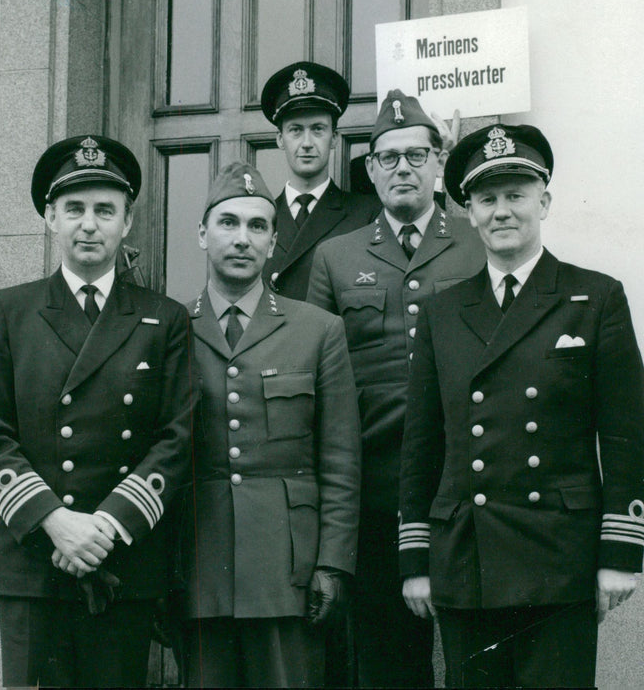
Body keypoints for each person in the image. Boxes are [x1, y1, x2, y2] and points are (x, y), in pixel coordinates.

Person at [399, 123, 644, 688]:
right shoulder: (443, 312)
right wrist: (416, 558)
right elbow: (421, 443)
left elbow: (626, 436)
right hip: (467, 556)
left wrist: (620, 552)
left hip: (559, 556)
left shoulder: (594, 297)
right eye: (486, 199)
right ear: (469, 212)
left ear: (545, 200)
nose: (502, 211)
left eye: (515, 195)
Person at [0, 135, 195, 688]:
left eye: (104, 210)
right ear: (50, 218)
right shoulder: (7, 312)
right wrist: (58, 523)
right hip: (33, 560)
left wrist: (105, 526)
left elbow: (175, 438)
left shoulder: (163, 318)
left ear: (127, 222)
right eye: (74, 209)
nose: (89, 224)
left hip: (123, 558)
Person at [306, 90, 485, 687]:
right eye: (388, 158)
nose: (402, 168)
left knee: (474, 644)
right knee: (388, 657)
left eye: (416, 155)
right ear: (371, 171)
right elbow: (319, 377)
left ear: (439, 162)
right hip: (376, 487)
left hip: (464, 478)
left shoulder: (476, 242)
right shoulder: (335, 257)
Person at [181, 162, 361, 688]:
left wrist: (333, 563)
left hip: (290, 566)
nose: (243, 238)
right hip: (198, 565)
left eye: (258, 226)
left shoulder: (319, 329)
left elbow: (341, 458)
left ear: (274, 240)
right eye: (228, 223)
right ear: (202, 233)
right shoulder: (169, 327)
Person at [260, 61, 381, 300]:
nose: (306, 143)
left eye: (317, 129)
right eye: (295, 130)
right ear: (280, 139)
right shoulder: (261, 218)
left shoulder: (367, 214)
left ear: (334, 137)